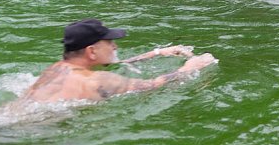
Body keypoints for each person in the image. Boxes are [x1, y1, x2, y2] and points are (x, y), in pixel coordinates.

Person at [17, 19, 217, 103]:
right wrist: (191, 67)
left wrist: (156, 53)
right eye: (110, 42)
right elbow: (154, 85)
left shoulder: (56, 69)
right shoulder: (99, 81)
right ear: (91, 51)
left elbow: (117, 64)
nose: (115, 47)